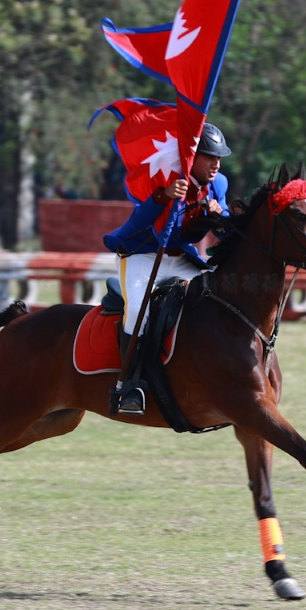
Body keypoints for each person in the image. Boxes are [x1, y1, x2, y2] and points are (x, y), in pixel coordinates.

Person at [103, 122, 231, 414]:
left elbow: (226, 233)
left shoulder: (218, 184)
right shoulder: (166, 176)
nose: (216, 164)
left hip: (178, 258)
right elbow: (137, 223)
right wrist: (163, 196)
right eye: (209, 156)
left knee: (214, 298)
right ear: (190, 157)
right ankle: (128, 387)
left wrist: (219, 215)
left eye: (219, 157)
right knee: (138, 310)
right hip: (140, 255)